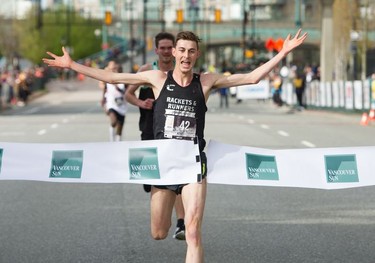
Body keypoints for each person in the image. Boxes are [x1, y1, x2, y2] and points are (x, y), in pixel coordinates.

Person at [43, 29, 307, 263]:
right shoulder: (157, 78)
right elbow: (112, 78)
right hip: (163, 164)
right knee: (158, 232)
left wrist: (282, 52)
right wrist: (72, 65)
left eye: (191, 51)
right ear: (174, 53)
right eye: (181, 50)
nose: (185, 55)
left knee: (192, 231)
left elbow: (251, 78)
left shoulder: (205, 81)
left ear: (197, 55)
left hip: (192, 165)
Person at [124, 32, 186, 241]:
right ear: (156, 49)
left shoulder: (181, 71)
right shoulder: (146, 71)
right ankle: (163, 219)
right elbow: (128, 94)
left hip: (174, 132)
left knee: (176, 178)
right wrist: (142, 103)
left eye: (170, 47)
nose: (167, 51)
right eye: (163, 48)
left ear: (175, 50)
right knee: (152, 179)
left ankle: (181, 223)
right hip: (149, 129)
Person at [99, 60, 127, 141]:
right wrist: (103, 100)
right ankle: (111, 140)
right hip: (111, 104)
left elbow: (128, 92)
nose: (115, 70)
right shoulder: (108, 79)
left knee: (120, 128)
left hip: (122, 105)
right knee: (113, 121)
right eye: (113, 68)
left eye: (116, 68)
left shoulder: (125, 80)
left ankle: (118, 142)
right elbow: (103, 89)